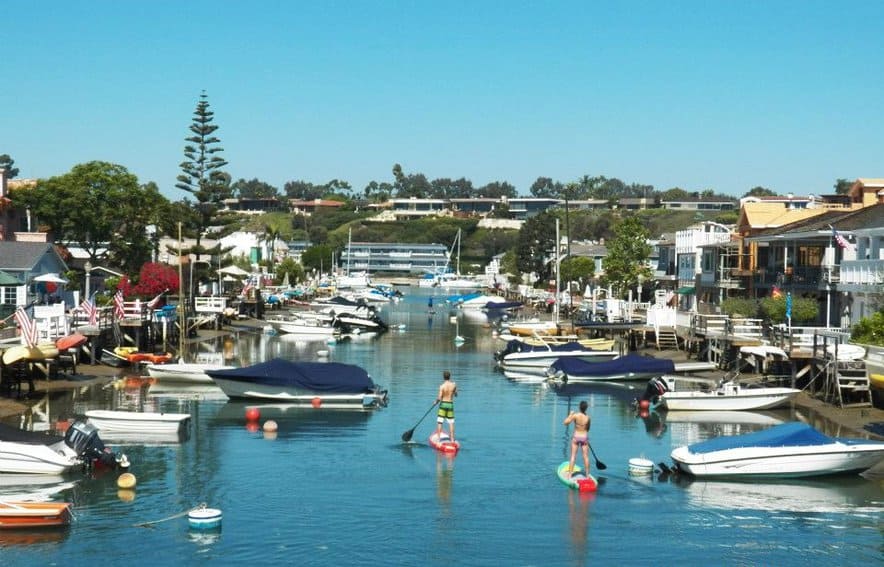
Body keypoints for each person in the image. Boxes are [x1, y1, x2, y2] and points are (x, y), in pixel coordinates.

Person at [563, 400, 591, 478]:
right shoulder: (588, 418)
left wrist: (570, 414)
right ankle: (587, 475)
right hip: (584, 437)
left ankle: (569, 475)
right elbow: (588, 429)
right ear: (586, 408)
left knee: (573, 456)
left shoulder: (575, 415)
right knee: (586, 457)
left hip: (576, 437)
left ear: (579, 407)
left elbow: (565, 423)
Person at [435, 370, 457, 442]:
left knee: (440, 422)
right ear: (449, 376)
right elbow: (456, 394)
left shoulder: (442, 386)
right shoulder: (454, 385)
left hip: (443, 404)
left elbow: (439, 397)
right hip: (450, 404)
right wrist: (454, 391)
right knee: (451, 422)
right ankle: (452, 439)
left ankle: (438, 439)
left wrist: (436, 402)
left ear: (443, 377)